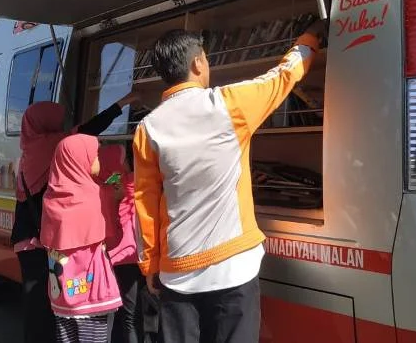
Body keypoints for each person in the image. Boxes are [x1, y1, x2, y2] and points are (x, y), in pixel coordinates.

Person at [133, 24, 325, 342]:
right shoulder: (230, 104)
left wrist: (149, 264)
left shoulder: (147, 128)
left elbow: (145, 203)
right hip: (234, 269)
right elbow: (283, 75)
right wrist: (310, 39)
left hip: (177, 272)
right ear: (198, 63)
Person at [14, 93, 138, 343]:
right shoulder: (59, 151)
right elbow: (88, 132)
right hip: (84, 285)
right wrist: (122, 104)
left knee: (43, 307)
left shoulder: (32, 153)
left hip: (31, 240)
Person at [41, 134, 123, 342]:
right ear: (79, 159)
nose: (98, 159)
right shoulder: (97, 195)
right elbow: (114, 239)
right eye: (95, 154)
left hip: (62, 295)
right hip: (91, 297)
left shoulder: (50, 198)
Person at [97, 144, 146, 343]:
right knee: (133, 315)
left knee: (124, 313)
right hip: (139, 254)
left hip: (118, 255)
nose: (126, 163)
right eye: (123, 159)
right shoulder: (137, 181)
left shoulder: (105, 186)